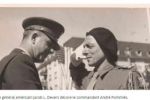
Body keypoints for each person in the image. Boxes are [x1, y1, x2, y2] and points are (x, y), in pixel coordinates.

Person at [0, 17, 64, 89]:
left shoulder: (8, 60)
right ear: (34, 38)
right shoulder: (21, 62)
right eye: (49, 44)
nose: (52, 51)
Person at [69, 27, 141, 90]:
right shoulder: (87, 78)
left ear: (105, 48)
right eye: (83, 47)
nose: (84, 52)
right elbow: (75, 68)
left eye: (89, 46)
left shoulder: (127, 77)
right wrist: (75, 56)